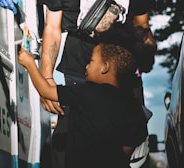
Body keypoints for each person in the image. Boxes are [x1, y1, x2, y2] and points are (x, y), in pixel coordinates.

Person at [39, 0, 157, 168]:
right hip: (79, 73)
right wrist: (47, 78)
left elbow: (141, 27)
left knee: (126, 150)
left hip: (123, 78)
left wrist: (147, 48)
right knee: (73, 149)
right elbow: (52, 30)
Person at [18, 24, 148, 168]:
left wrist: (29, 63)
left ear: (105, 67)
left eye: (91, 61)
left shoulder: (86, 91)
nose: (87, 66)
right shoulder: (134, 107)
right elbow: (127, 150)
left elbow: (46, 91)